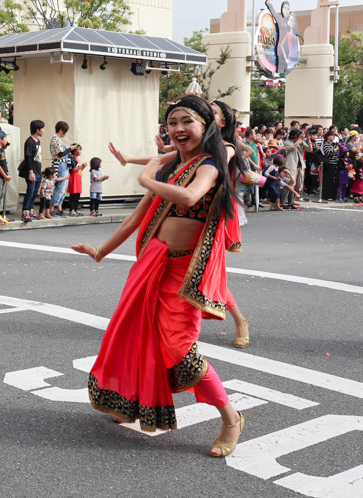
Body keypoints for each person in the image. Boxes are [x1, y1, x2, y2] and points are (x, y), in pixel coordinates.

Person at [71, 95, 246, 456]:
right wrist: (101, 251)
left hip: (185, 271)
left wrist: (146, 177)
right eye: (172, 122)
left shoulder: (210, 163)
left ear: (206, 126)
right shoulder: (168, 168)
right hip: (154, 263)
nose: (179, 129)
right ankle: (130, 402)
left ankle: (231, 418)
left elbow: (189, 197)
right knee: (135, 335)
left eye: (188, 121)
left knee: (179, 350)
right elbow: (135, 219)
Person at [20, 120, 44, 222]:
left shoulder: (38, 141)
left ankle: (30, 210)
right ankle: (25, 212)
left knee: (34, 193)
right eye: (42, 128)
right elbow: (28, 157)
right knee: (30, 192)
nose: (43, 131)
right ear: (37, 130)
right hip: (31, 171)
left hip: (38, 171)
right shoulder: (29, 142)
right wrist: (30, 172)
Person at [49, 121, 71, 217]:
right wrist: (70, 149)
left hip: (64, 165)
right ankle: (51, 209)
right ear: (61, 130)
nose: (65, 134)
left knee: (63, 188)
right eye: (65, 131)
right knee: (59, 188)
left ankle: (59, 209)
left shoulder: (58, 139)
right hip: (60, 165)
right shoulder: (55, 139)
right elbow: (60, 154)